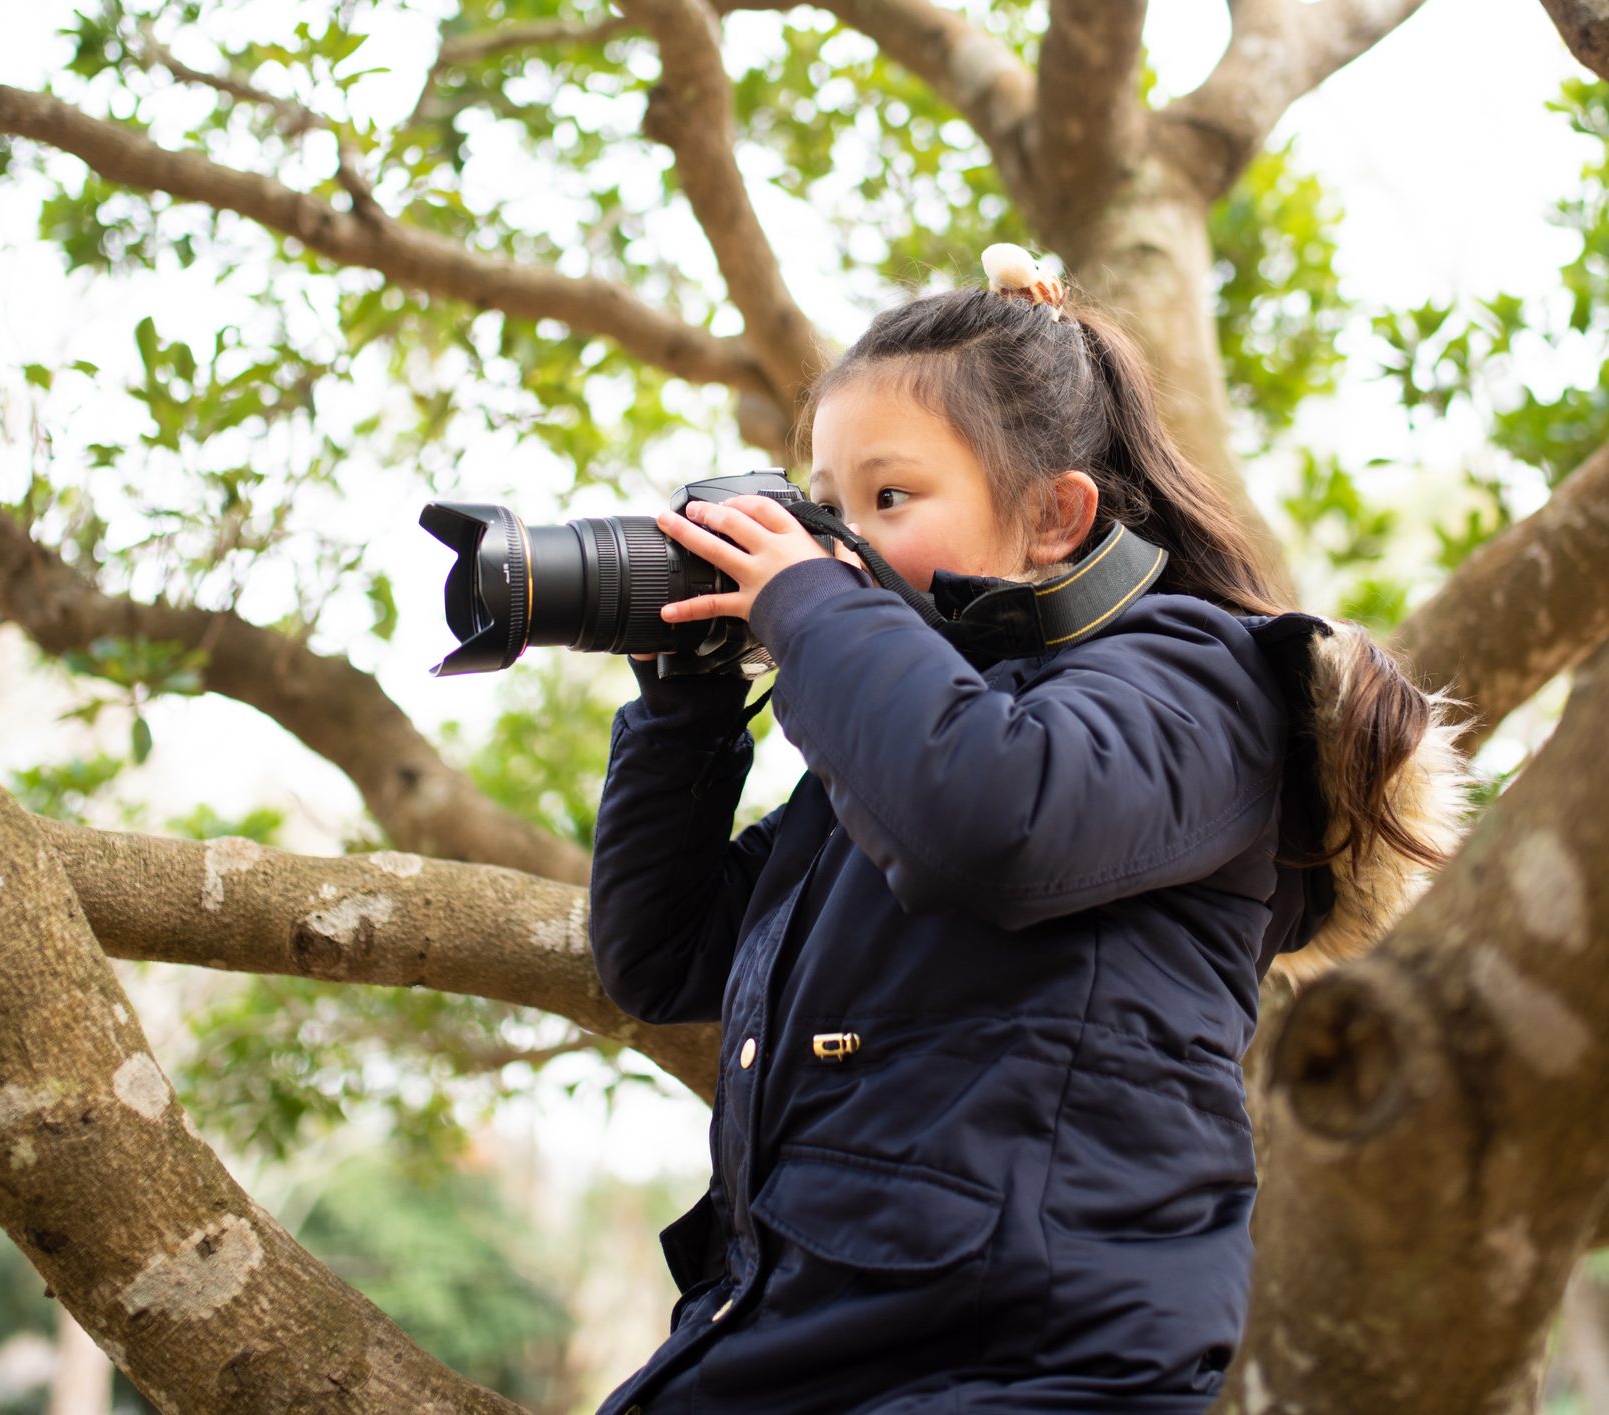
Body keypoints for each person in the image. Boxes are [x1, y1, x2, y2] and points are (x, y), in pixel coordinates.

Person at [586, 245, 1471, 1414]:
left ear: (1054, 517)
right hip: (807, 1337)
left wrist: (805, 608)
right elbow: (662, 954)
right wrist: (682, 709)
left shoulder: (1195, 678)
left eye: (887, 499)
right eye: (825, 506)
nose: (836, 544)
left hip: (1030, 1362)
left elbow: (996, 821)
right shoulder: (888, 762)